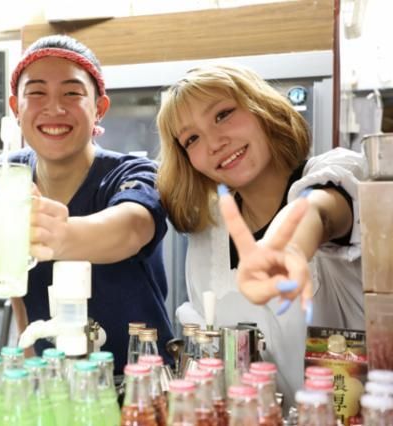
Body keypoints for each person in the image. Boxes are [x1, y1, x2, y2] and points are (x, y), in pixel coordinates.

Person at [156, 64, 365, 405]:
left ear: (262, 109)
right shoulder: (209, 234)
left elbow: (321, 210)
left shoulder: (331, 174)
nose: (214, 143)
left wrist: (290, 249)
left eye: (223, 115)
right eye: (192, 139)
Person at [7, 34, 174, 373]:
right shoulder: (10, 176)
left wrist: (58, 236)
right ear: (15, 108)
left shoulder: (133, 172)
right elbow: (15, 285)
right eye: (36, 93)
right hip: (54, 382)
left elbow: (131, 228)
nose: (54, 108)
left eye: (72, 93)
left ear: (99, 108)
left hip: (140, 384)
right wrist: (29, 364)